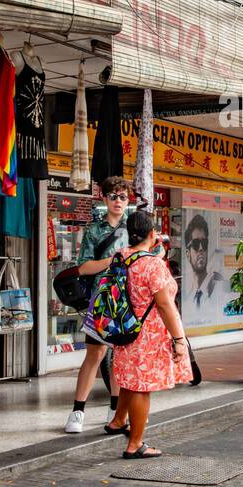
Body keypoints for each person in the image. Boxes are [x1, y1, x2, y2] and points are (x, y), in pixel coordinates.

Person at [105, 210, 192, 458]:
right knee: (141, 387)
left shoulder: (121, 256)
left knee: (129, 381)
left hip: (124, 328)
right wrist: (178, 339)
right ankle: (135, 444)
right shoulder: (152, 264)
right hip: (147, 334)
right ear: (152, 234)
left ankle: (118, 421)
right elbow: (164, 304)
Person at [64, 176, 131, 434]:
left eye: (122, 197)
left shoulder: (133, 229)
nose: (117, 201)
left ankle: (116, 411)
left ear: (128, 200)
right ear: (104, 198)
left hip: (125, 301)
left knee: (119, 357)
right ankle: (77, 411)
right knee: (95, 355)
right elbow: (83, 267)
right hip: (101, 301)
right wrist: (112, 261)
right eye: (113, 196)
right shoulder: (94, 231)